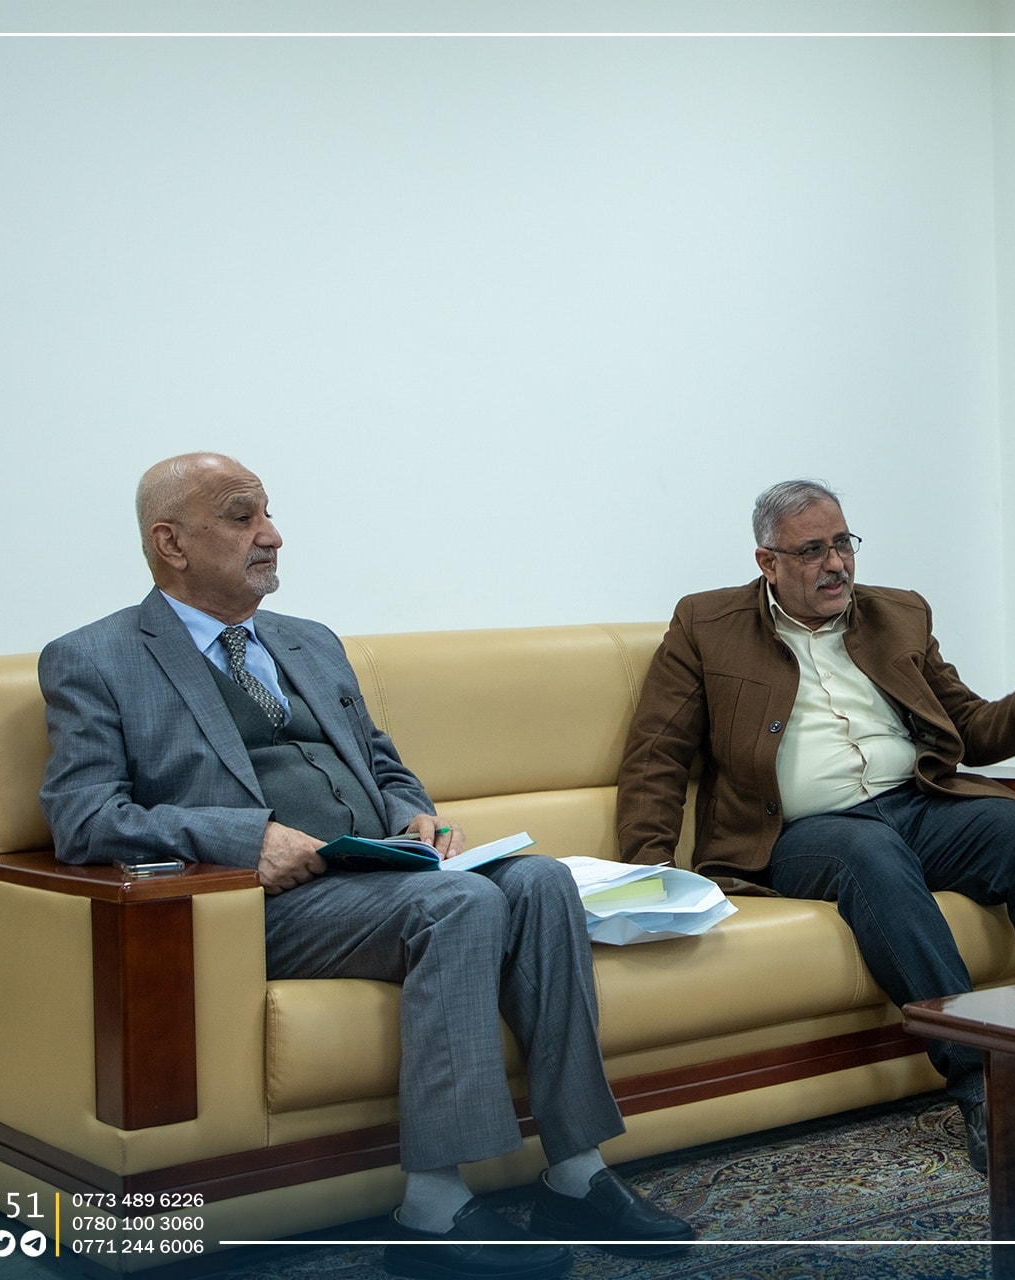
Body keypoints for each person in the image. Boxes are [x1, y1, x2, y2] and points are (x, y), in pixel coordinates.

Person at [38, 453, 693, 1280]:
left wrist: (415, 814)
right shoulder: (96, 658)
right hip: (260, 904)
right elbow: (83, 817)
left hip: (382, 878)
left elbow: (383, 765)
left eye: (268, 513)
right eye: (242, 517)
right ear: (170, 542)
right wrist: (245, 838)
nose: (272, 535)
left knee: (540, 880)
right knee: (460, 907)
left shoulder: (309, 642)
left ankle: (575, 1172)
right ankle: (432, 1211)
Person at [616, 478, 1015, 1174]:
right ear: (767, 563)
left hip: (917, 803)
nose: (836, 564)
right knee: (871, 852)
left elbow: (968, 727)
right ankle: (983, 1083)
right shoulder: (706, 626)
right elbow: (657, 754)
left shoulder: (898, 614)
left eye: (843, 543)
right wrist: (649, 871)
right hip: (800, 833)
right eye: (812, 551)